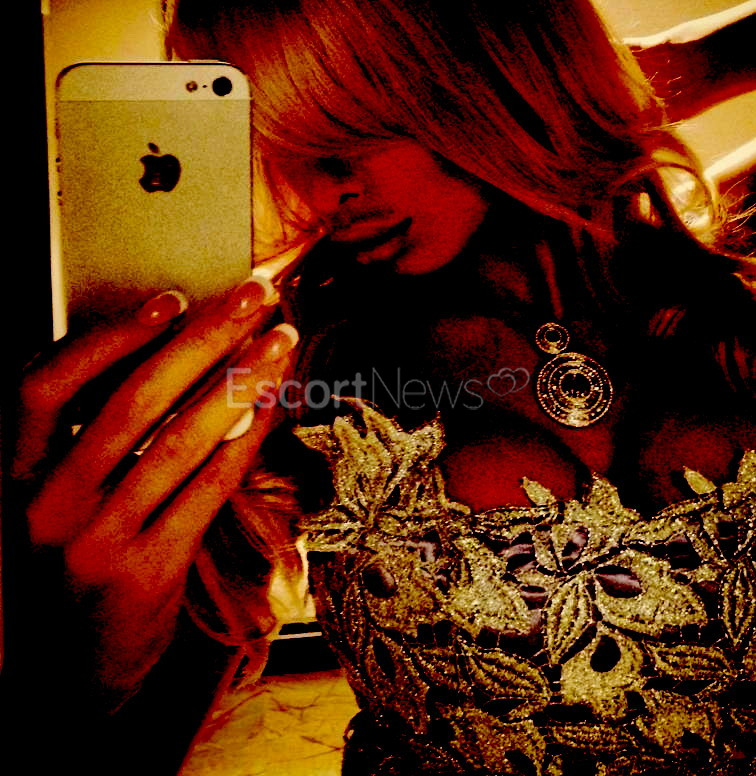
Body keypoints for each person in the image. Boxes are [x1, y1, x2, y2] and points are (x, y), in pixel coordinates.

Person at [5, 0, 755, 774]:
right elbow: (129, 740)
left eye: (347, 133)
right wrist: (82, 673)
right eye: (280, 145)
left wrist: (651, 72)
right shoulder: (294, 364)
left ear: (482, 71)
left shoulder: (720, 296)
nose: (324, 194)